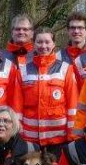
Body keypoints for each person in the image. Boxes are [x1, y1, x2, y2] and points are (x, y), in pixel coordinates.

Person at [19, 26, 78, 158]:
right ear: (33, 44)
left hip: (58, 138)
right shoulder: (23, 71)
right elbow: (17, 107)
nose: (43, 46)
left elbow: (73, 105)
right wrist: (18, 134)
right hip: (30, 138)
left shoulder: (65, 69)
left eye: (47, 42)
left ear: (54, 44)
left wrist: (71, 134)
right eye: (39, 42)